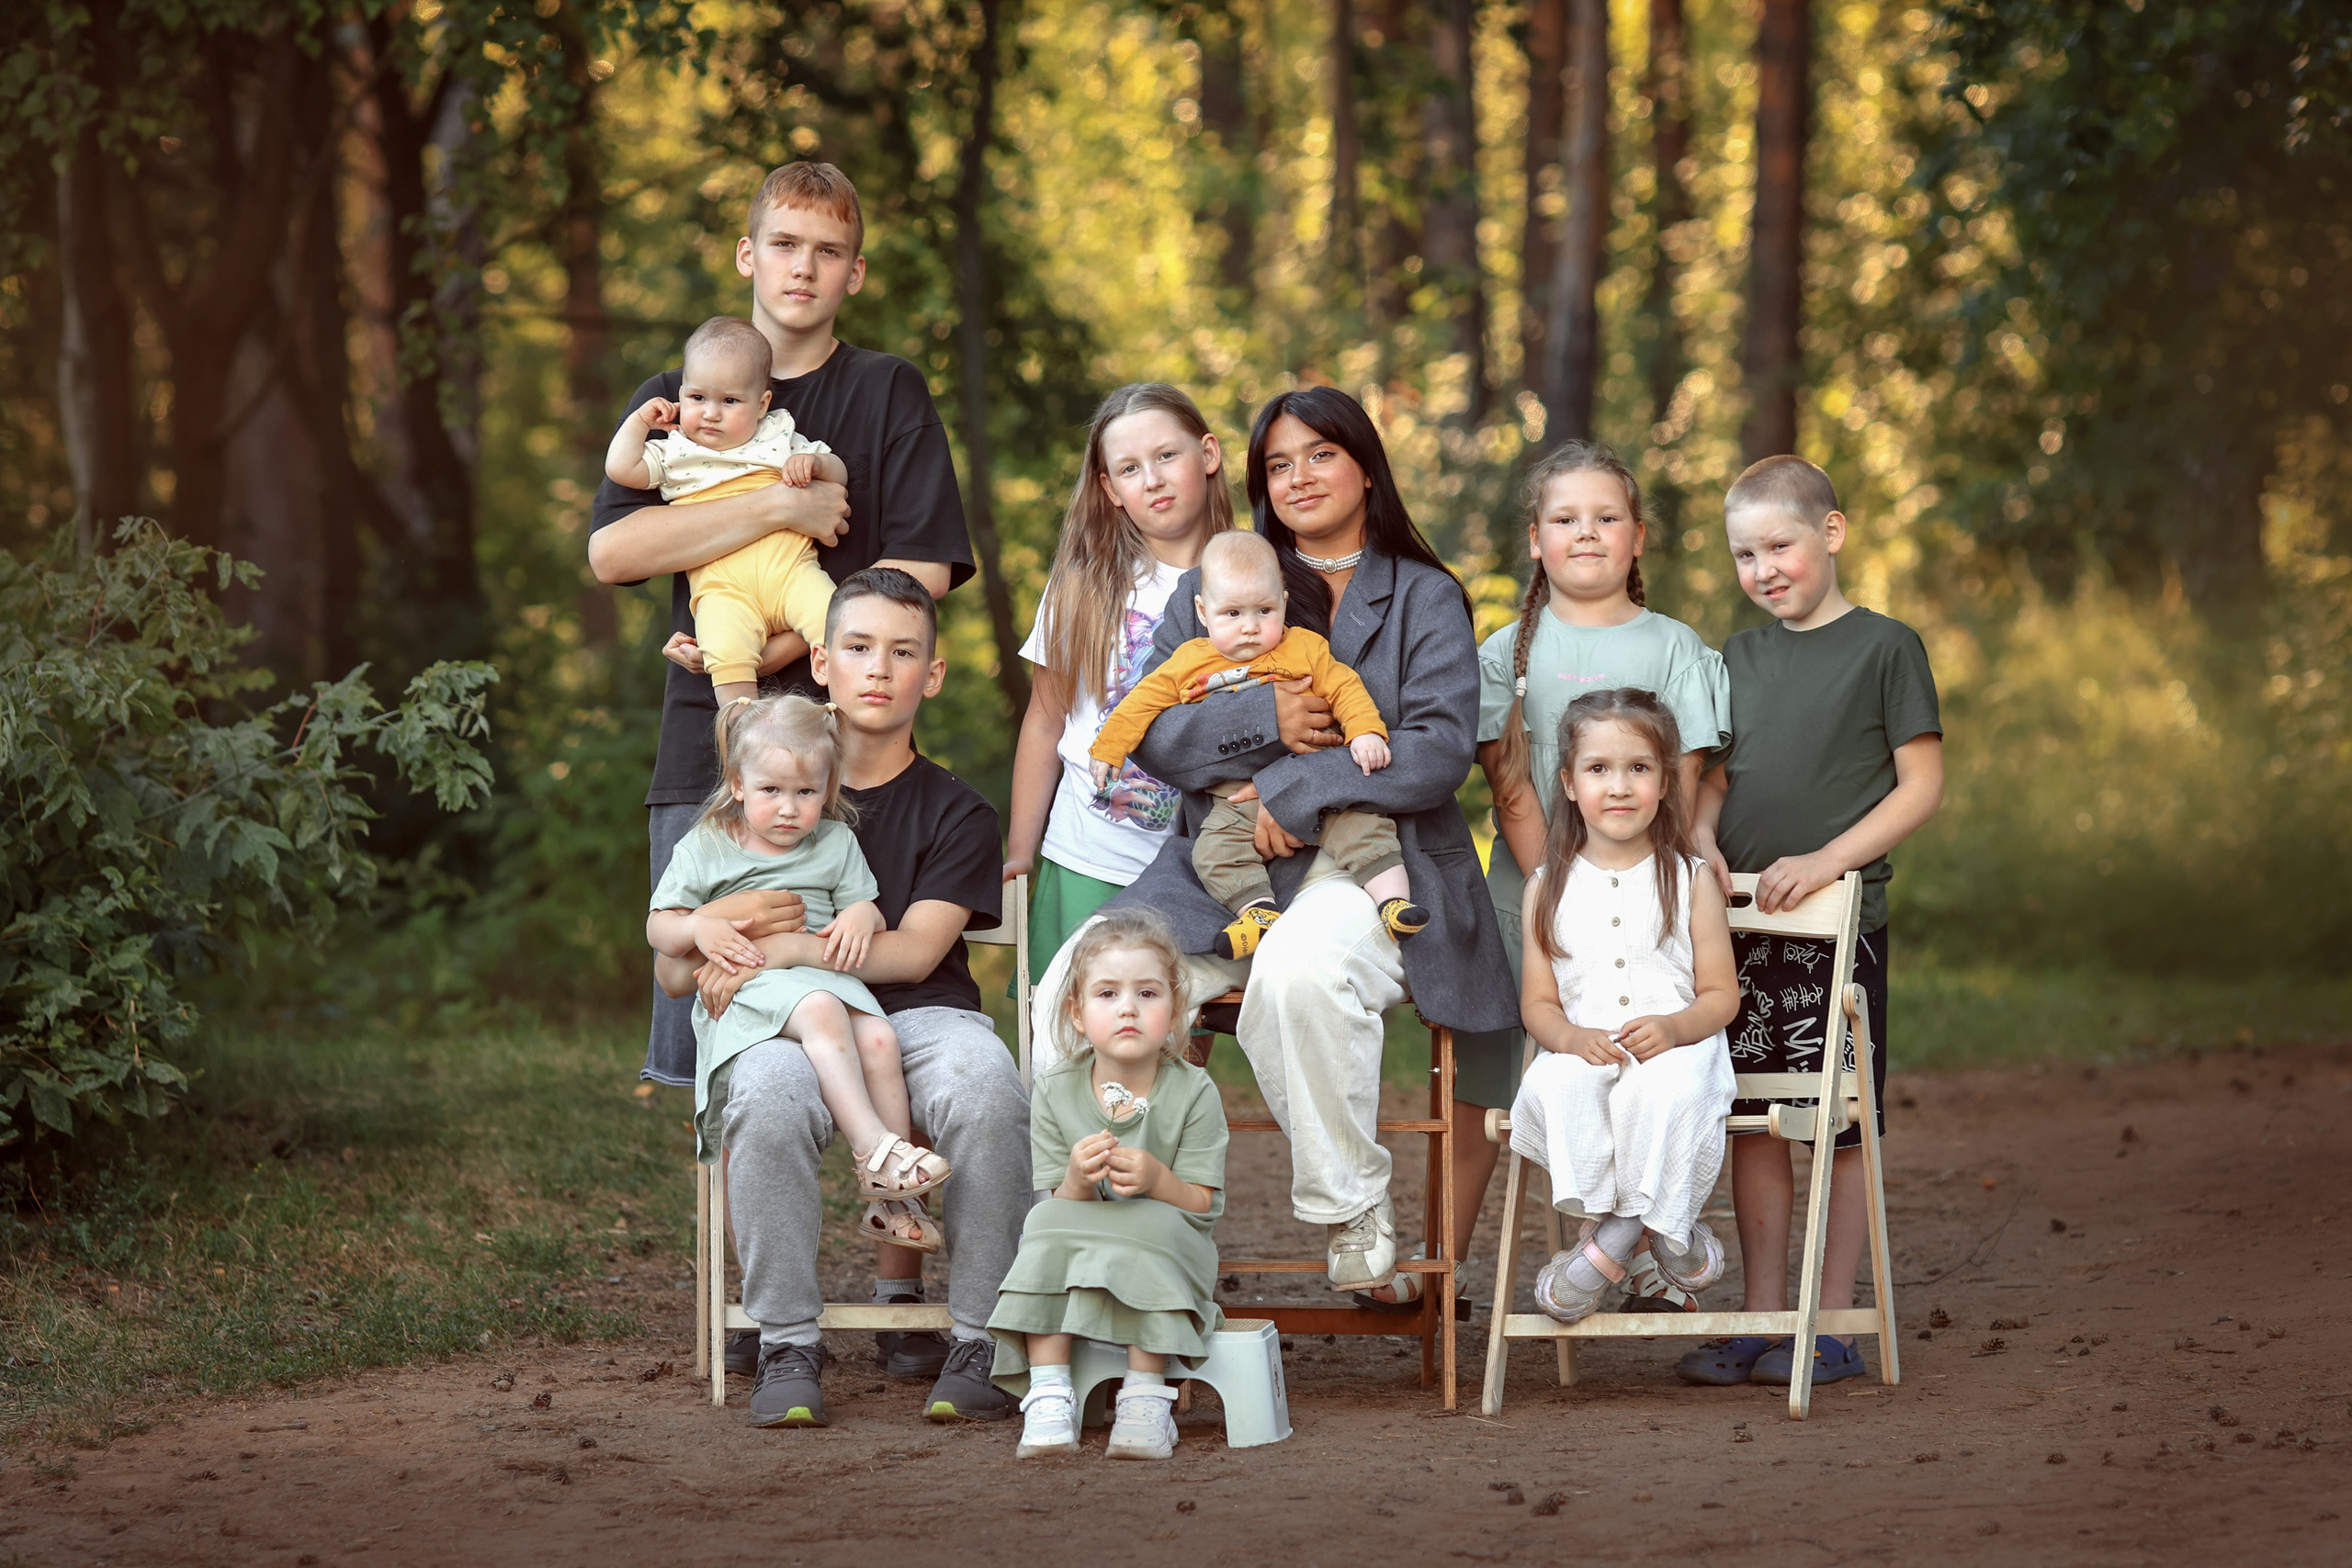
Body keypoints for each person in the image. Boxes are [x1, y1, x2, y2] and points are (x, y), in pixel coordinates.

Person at [1033, 387, 1517, 1301]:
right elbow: (1155, 733)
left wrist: (1293, 789)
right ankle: (1098, 1236)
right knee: (1070, 988)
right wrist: (1264, 711)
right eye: (1280, 462)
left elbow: (1439, 750)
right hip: (1215, 864)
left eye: (1321, 455)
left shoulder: (1423, 596)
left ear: (1365, 466)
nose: (1298, 477)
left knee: (1297, 972)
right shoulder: (1217, 583)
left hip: (1370, 860)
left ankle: (1350, 1211)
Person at [588, 160, 973, 1108]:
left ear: (855, 274)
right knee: (721, 1018)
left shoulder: (887, 392)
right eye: (787, 245)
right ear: (748, 255)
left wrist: (787, 654)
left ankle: (894, 1234)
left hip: (857, 752)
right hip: (711, 750)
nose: (804, 268)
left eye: (829, 251)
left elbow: (920, 572)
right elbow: (616, 551)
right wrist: (773, 505)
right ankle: (743, 1251)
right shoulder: (677, 393)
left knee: (883, 1015)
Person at [681, 570, 1029, 1427]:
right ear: (823, 666)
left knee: (987, 1083)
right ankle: (788, 1340)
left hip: (918, 1014)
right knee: (760, 1093)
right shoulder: (757, 801)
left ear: (932, 676)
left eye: (903, 651)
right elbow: (671, 961)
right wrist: (719, 942)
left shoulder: (959, 811)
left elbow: (913, 951)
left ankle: (985, 1339)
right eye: (860, 648)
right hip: (783, 1015)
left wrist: (778, 944)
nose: (880, 668)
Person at [1437, 441, 1731, 1310]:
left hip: (1652, 904)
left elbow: (1679, 782)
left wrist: (1622, 879)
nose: (1587, 533)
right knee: (1490, 1076)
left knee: (1638, 1065)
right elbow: (1509, 777)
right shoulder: (1505, 652)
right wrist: (1558, 887)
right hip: (1528, 895)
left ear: (1638, 537)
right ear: (1535, 539)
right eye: (1566, 519)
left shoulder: (1676, 647)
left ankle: (1629, 1245)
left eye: (1607, 518)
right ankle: (1440, 1272)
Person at [1678, 456, 1943, 1388]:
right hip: (1739, 926)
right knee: (1750, 1116)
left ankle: (1828, 1323)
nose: (1763, 570)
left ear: (1829, 534)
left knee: (1834, 1117)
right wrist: (1703, 840)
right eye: (1744, 555)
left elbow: (1921, 786)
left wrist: (1828, 861)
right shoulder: (1735, 656)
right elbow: (1712, 779)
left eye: (1779, 545)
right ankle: (1758, 1317)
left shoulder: (1885, 647)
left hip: (1837, 925)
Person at [648, 694, 951, 1254]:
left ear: (827, 790)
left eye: (806, 793)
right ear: (738, 784)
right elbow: (659, 928)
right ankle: (873, 1150)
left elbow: (865, 904)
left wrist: (860, 915)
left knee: (881, 1038)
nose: (789, 808)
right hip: (747, 990)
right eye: (771, 791)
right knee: (821, 1010)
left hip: (820, 980)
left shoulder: (834, 843)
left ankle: (893, 1205)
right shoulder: (707, 846)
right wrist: (698, 930)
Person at [1506, 689, 1739, 1323]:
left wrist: (1674, 1024)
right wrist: (1571, 1038)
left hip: (1678, 1048)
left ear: (1665, 782)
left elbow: (1722, 995)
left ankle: (1609, 1247)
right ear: (1569, 782)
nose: (1618, 785)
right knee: (1556, 1084)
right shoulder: (1545, 887)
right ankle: (1673, 1239)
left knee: (1657, 1093)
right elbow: (1538, 1004)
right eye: (1598, 768)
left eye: (1638, 767)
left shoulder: (1688, 878)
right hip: (1587, 1047)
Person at [1087, 530, 1426, 960]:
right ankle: (1256, 909)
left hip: (1315, 788)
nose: (1249, 626)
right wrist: (1107, 749)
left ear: (1284, 603)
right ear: (1203, 612)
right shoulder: (1189, 660)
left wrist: (1365, 731)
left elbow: (1345, 688)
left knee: (1364, 828)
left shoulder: (1304, 648)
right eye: (1232, 613)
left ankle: (1393, 902)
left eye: (1264, 611)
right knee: (1214, 852)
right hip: (1234, 802)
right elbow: (1141, 704)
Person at [1003, 384, 1234, 987]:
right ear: (1110, 488)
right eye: (1130, 468)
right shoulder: (1085, 584)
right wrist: (1021, 852)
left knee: (1177, 1045)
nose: (1152, 479)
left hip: (1201, 866)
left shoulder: (1250, 579)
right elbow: (1044, 719)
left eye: (1166, 456)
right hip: (1087, 854)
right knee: (1069, 1034)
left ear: (1207, 454)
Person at [989, 910, 1228, 1461]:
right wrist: (1075, 1177)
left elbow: (1201, 1204)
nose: (1127, 1008)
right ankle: (1049, 1392)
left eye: (1147, 993)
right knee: (1042, 1221)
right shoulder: (1054, 1089)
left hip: (1170, 1235)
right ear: (1076, 1012)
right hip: (1084, 1230)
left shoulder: (1194, 1091)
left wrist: (1158, 1179)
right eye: (1107, 994)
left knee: (1158, 1220)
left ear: (1174, 1012)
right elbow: (1059, 1204)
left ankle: (1144, 1398)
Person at [604, 317, 849, 706]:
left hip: (791, 572)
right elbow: (621, 469)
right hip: (723, 589)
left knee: (838, 623)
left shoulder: (778, 435)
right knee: (724, 650)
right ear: (681, 396)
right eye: (698, 399)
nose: (711, 414)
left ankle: (846, 718)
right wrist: (638, 422)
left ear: (762, 404)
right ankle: (741, 738)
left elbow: (839, 473)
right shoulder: (676, 451)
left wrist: (815, 465)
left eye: (730, 401)